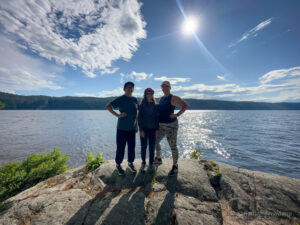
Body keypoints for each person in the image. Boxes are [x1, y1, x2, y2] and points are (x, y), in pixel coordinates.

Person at [154, 81, 188, 176]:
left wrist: (177, 114)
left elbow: (185, 105)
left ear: (170, 87)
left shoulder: (174, 98)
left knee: (172, 146)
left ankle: (175, 166)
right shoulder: (161, 99)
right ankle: (158, 157)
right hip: (161, 125)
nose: (164, 88)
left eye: (166, 86)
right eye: (163, 86)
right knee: (155, 141)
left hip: (171, 125)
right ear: (161, 88)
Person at [106, 81, 138, 176]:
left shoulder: (135, 99)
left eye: (131, 87)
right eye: (128, 87)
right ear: (124, 89)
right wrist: (118, 115)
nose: (130, 88)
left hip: (132, 129)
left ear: (133, 89)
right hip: (122, 128)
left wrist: (137, 125)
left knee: (132, 147)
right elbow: (108, 106)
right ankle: (118, 164)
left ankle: (130, 163)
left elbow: (136, 113)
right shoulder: (121, 99)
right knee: (121, 147)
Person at [138, 88, 159, 172]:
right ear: (145, 95)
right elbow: (139, 118)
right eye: (147, 93)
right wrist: (141, 130)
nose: (149, 95)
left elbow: (157, 118)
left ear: (153, 95)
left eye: (151, 93)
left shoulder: (156, 105)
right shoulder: (142, 105)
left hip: (153, 129)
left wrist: (157, 129)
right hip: (144, 129)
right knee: (143, 146)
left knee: (152, 147)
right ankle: (143, 161)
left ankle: (151, 163)